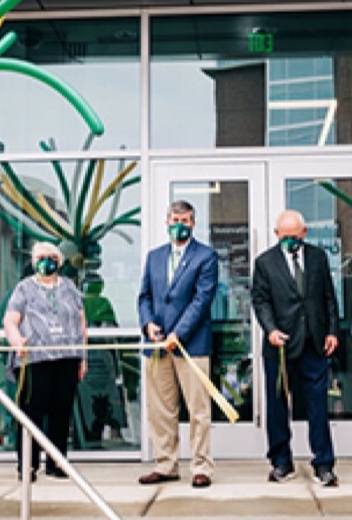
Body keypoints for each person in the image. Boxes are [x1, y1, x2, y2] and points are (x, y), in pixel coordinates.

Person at [251, 209, 340, 487]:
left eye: (295, 236)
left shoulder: (317, 257)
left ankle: (323, 464)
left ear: (304, 233)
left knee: (317, 406)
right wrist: (270, 330)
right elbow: (260, 300)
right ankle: (281, 461)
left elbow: (329, 297)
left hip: (314, 343)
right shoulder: (264, 262)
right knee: (277, 407)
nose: (290, 241)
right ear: (277, 235)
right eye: (284, 236)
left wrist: (333, 332)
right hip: (281, 345)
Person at [136, 200, 219, 488]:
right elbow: (144, 295)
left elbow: (202, 299)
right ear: (166, 221)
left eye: (184, 220)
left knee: (197, 410)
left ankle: (201, 467)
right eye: (174, 219)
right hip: (157, 344)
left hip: (191, 345)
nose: (179, 224)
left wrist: (178, 334)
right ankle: (165, 464)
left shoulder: (206, 257)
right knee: (161, 409)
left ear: (193, 223)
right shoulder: (154, 256)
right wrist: (148, 324)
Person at [3, 242, 87, 481]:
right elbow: (10, 320)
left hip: (67, 358)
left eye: (50, 257)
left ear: (59, 261)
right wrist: (17, 341)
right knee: (31, 413)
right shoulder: (24, 288)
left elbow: (81, 324)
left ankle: (57, 462)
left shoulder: (70, 287)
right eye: (40, 257)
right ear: (33, 261)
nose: (46, 262)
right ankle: (27, 465)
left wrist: (83, 357)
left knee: (61, 413)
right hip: (33, 360)